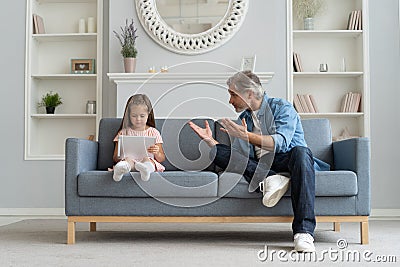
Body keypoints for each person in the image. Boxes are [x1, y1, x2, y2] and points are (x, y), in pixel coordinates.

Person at [189, 71, 329, 252]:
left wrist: (247, 136)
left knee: (301, 152)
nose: (230, 101)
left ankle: (304, 233)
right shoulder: (244, 119)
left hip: (289, 160)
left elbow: (281, 142)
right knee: (216, 152)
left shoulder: (281, 107)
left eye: (232, 94)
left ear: (249, 94)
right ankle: (272, 178)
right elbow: (238, 158)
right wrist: (211, 141)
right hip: (262, 166)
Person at [112, 94, 165, 182]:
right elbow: (114, 158)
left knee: (147, 159)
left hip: (146, 162)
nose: (138, 119)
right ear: (128, 115)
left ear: (148, 114)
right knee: (128, 159)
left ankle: (146, 170)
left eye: (142, 116)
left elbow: (161, 158)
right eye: (134, 116)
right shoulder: (123, 132)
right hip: (130, 164)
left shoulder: (153, 132)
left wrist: (157, 153)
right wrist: (120, 154)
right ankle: (119, 171)